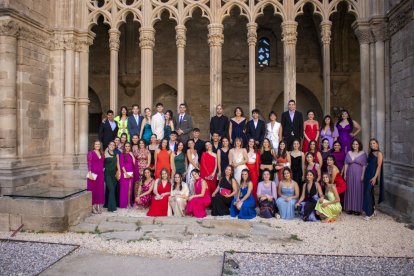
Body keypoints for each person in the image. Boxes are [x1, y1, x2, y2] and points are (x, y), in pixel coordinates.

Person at [343, 139, 367, 215]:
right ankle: (350, 208)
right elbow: (346, 164)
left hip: (358, 173)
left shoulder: (363, 153)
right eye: (353, 144)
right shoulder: (349, 153)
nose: (355, 145)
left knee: (358, 189)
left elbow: (364, 165)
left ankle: (357, 209)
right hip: (349, 173)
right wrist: (345, 174)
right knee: (350, 189)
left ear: (359, 145)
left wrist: (363, 175)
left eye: (356, 144)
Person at [363, 138, 384, 221]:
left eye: (374, 143)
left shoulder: (379, 154)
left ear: (377, 144)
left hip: (372, 175)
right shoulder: (371, 153)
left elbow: (379, 167)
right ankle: (373, 209)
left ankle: (369, 213)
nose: (372, 145)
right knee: (370, 193)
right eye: (371, 144)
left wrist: (375, 177)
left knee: (367, 193)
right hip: (367, 174)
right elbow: (368, 164)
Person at [87, 140, 105, 214]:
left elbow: (102, 163)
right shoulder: (90, 153)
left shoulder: (102, 153)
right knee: (93, 190)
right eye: (96, 144)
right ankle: (93, 207)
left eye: (98, 144)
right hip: (93, 174)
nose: (97, 145)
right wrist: (90, 173)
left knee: (100, 190)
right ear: (93, 145)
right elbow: (89, 163)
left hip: (100, 174)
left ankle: (98, 206)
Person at [118, 142, 135, 208]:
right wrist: (125, 173)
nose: (127, 147)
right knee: (124, 189)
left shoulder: (131, 154)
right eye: (126, 146)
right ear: (124, 147)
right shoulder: (122, 155)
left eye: (128, 146)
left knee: (130, 189)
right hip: (124, 173)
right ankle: (124, 204)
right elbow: (121, 165)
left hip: (131, 173)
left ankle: (129, 203)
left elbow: (134, 163)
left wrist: (132, 156)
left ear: (130, 147)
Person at [104, 141, 118, 212]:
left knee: (111, 190)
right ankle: (112, 208)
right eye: (111, 144)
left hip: (114, 174)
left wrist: (118, 173)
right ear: (108, 145)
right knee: (111, 189)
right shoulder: (105, 154)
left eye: (113, 145)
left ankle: (107, 204)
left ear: (115, 146)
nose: (112, 146)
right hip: (107, 174)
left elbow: (118, 164)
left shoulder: (116, 154)